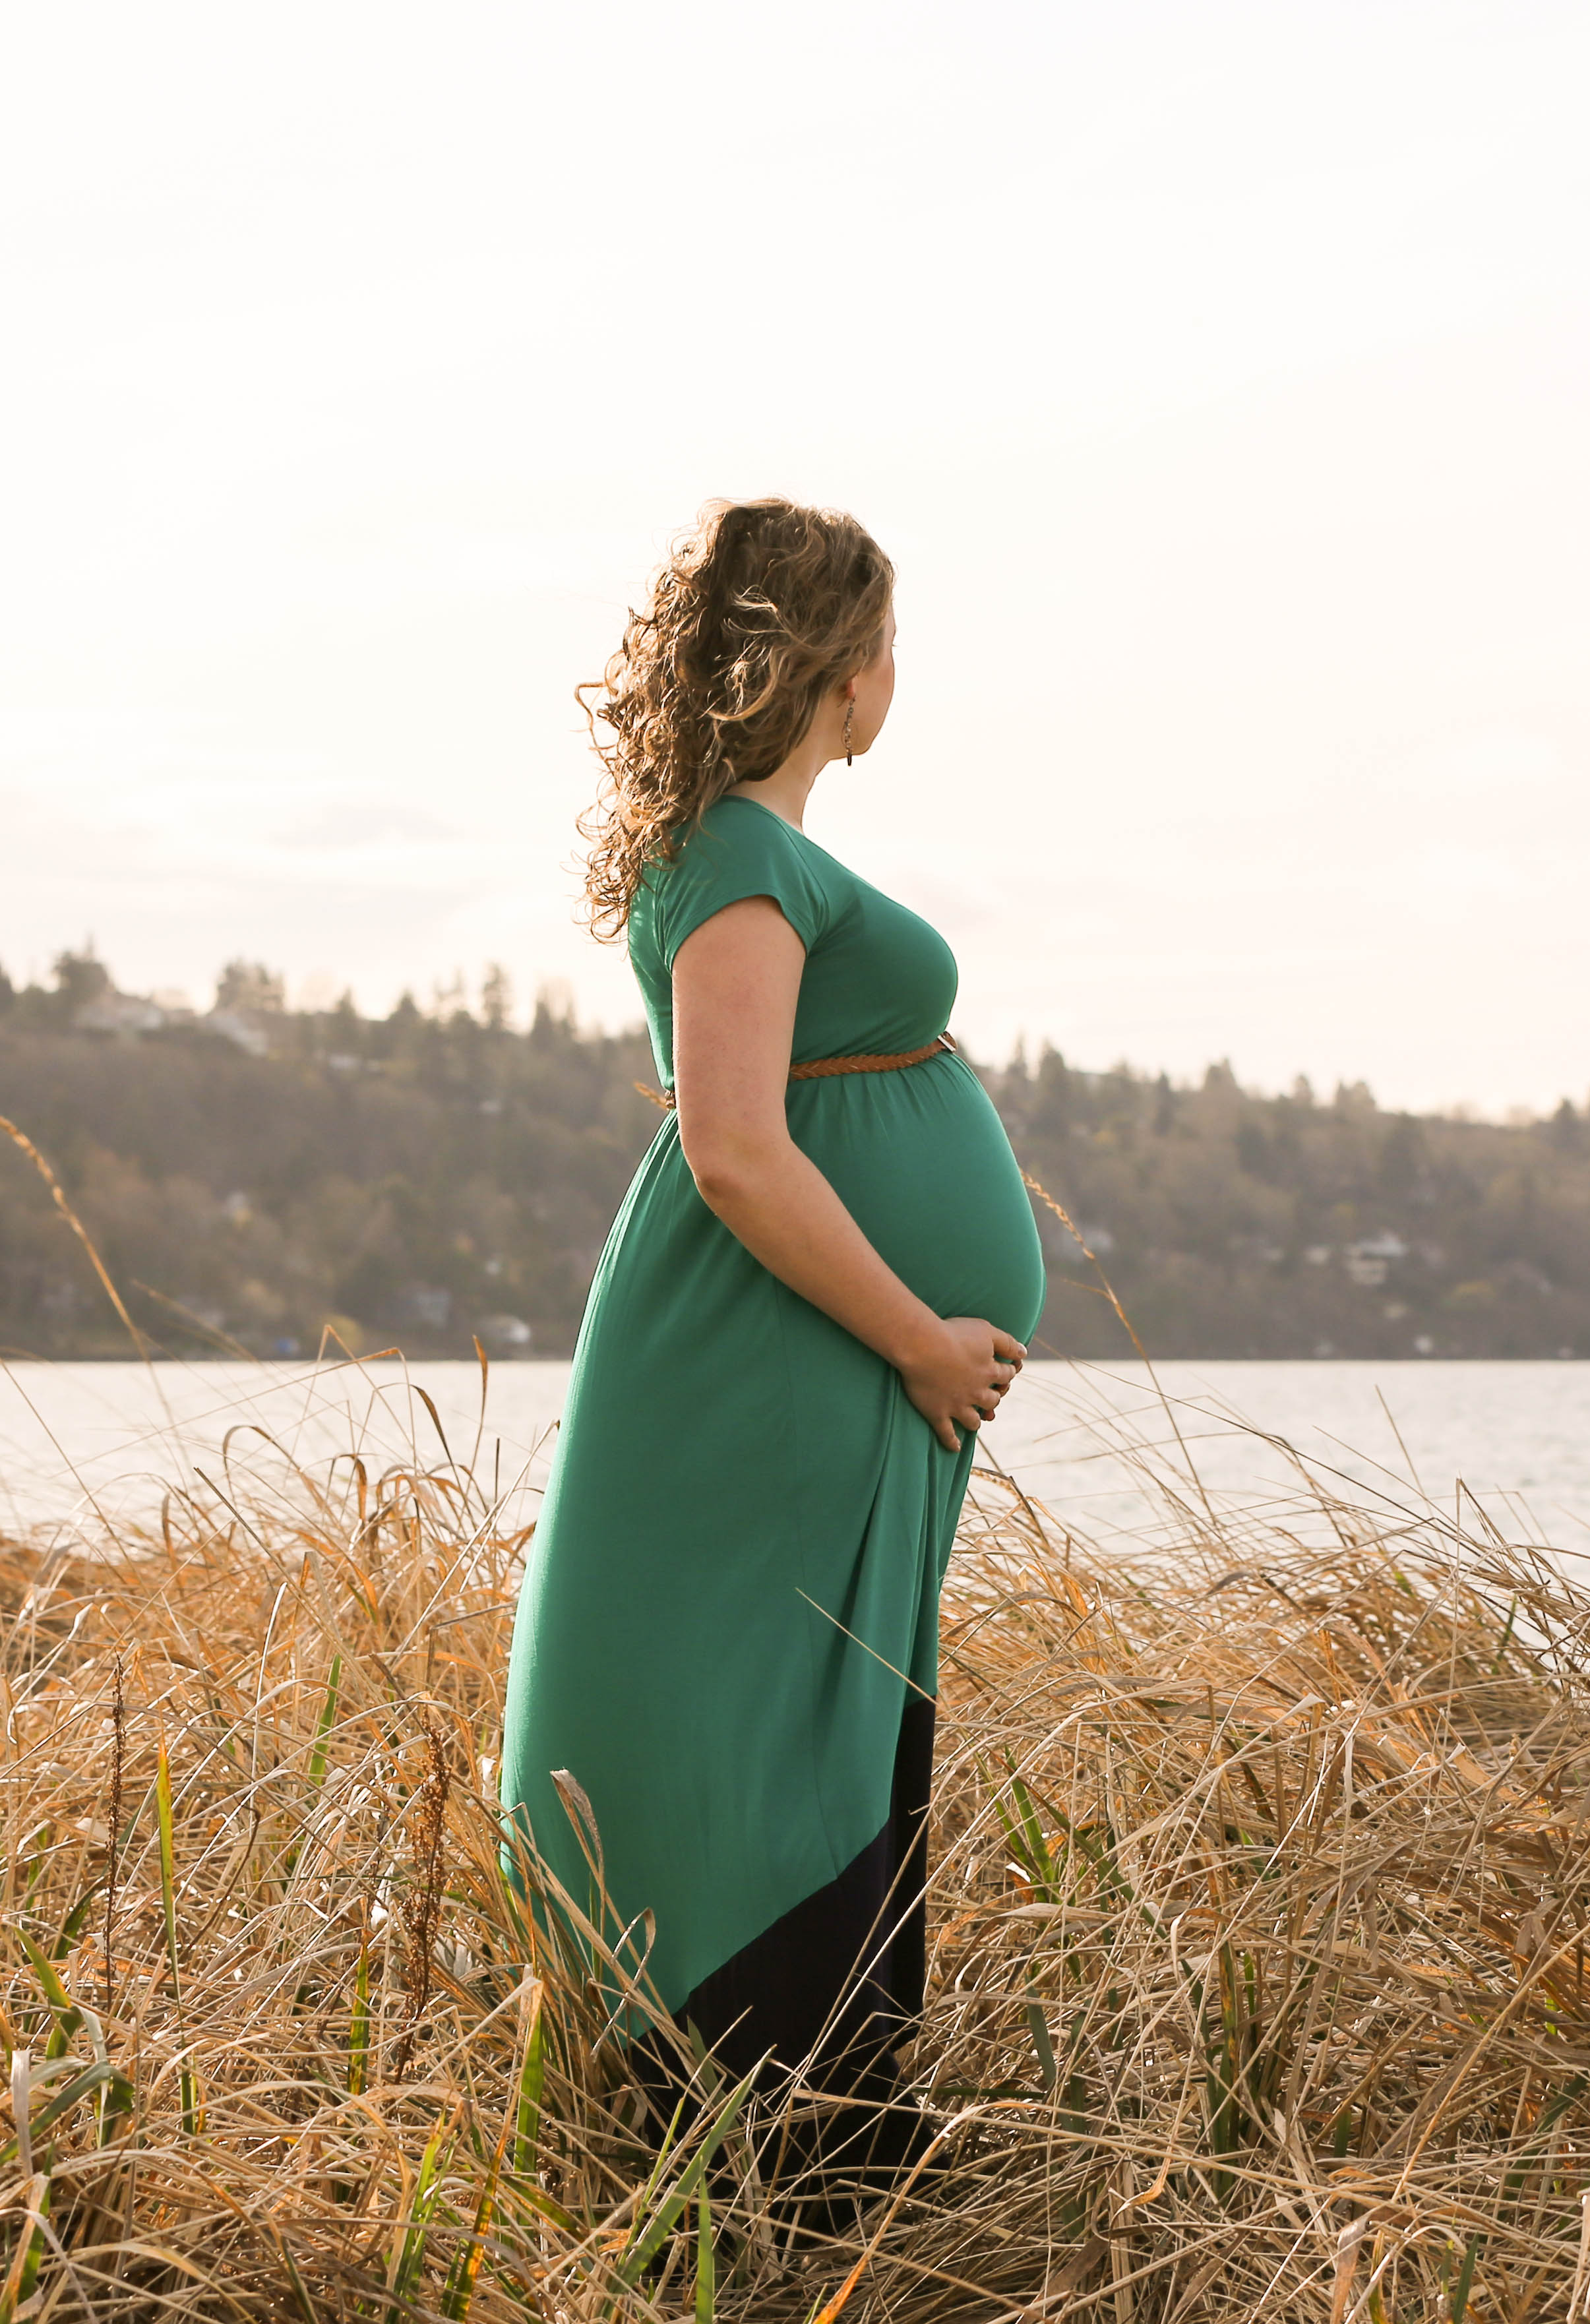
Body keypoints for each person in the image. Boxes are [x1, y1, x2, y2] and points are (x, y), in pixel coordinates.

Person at [499, 499, 1045, 2199]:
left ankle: (805, 2161)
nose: (895, 679)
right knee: (768, 1700)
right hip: (792, 1355)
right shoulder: (741, 855)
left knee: (814, 1702)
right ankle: (777, 2164)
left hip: (812, 1366)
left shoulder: (752, 849)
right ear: (837, 666)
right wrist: (922, 1341)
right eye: (887, 645)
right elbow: (733, 1147)